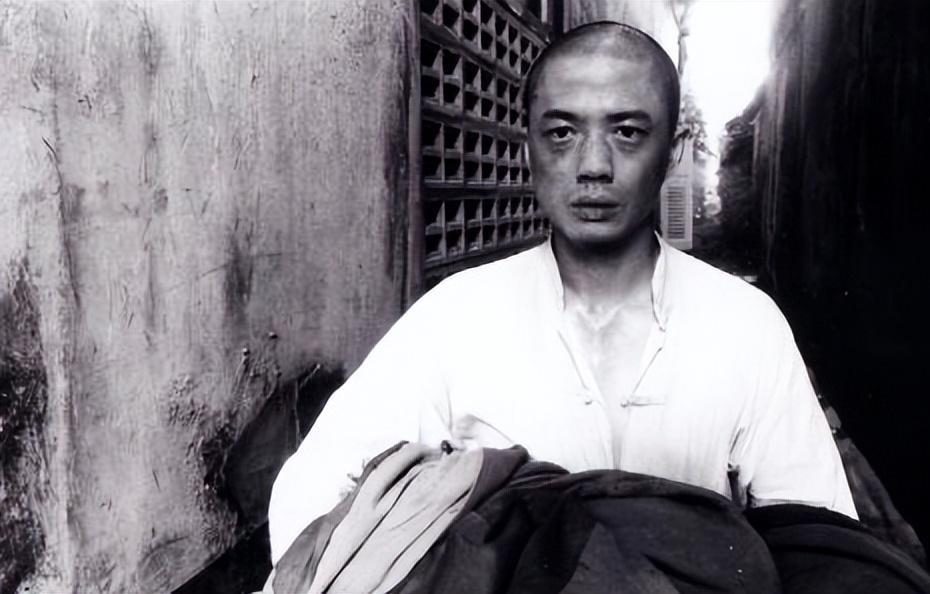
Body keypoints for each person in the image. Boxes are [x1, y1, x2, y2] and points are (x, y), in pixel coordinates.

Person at [267, 21, 856, 563]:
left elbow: (820, 537)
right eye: (562, 133)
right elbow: (312, 492)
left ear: (672, 152)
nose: (593, 165)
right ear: (529, 147)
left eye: (628, 132)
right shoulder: (457, 315)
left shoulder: (744, 323)